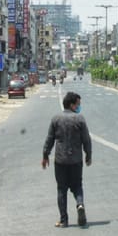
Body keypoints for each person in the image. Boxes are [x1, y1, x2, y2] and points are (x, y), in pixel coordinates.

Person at [42, 91, 92, 228]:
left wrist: (45, 155)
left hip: (60, 161)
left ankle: (64, 220)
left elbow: (49, 139)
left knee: (61, 189)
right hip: (76, 160)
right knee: (77, 186)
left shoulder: (56, 119)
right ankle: (80, 204)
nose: (79, 107)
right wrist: (88, 155)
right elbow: (86, 140)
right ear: (71, 105)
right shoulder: (80, 119)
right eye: (78, 104)